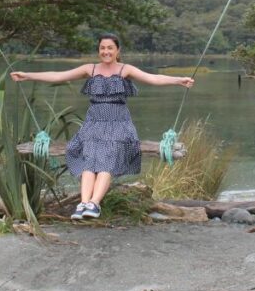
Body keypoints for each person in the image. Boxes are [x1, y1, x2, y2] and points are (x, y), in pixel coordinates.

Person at [10, 33, 193, 220]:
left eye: (110, 48)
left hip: (119, 123)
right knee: (89, 159)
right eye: (102, 48)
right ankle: (83, 203)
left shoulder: (125, 69)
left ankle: (94, 204)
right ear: (99, 50)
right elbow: (58, 76)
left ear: (117, 50)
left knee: (108, 157)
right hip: (93, 123)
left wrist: (178, 80)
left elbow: (153, 79)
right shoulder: (90, 69)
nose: (106, 51)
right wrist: (27, 76)